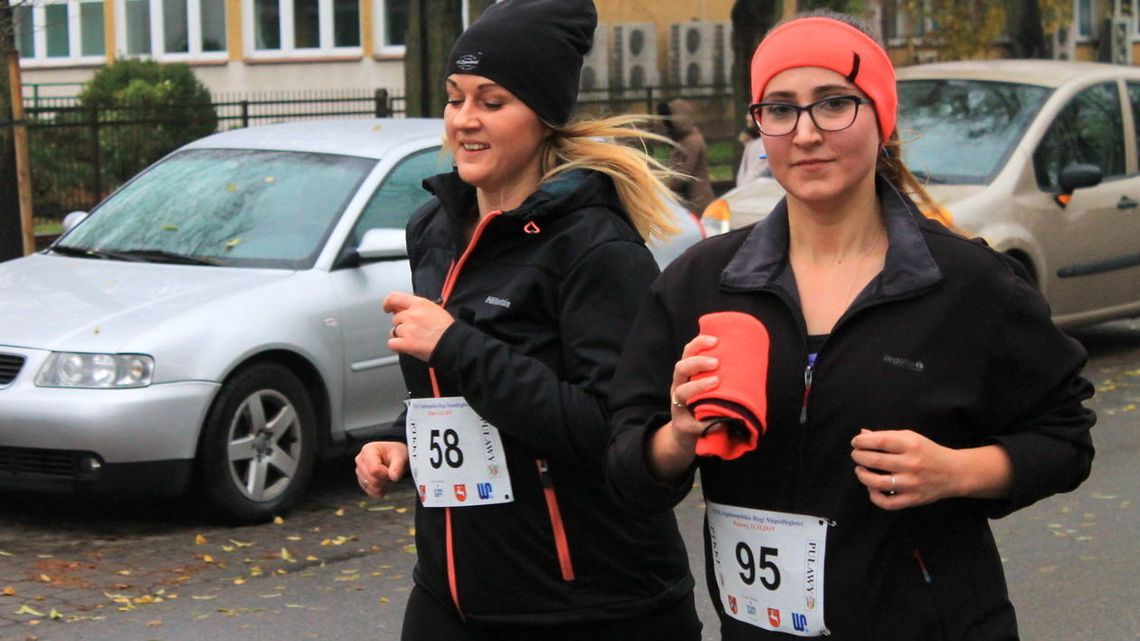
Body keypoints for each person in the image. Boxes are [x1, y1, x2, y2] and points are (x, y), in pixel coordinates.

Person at [606, 11, 1095, 641]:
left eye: (834, 104)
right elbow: (625, 470)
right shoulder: (699, 284)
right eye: (779, 109)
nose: (805, 132)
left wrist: (957, 472)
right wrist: (674, 439)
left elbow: (1066, 439)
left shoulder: (970, 283)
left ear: (881, 116)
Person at [354, 1, 700, 639]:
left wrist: (457, 345)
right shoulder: (434, 227)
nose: (464, 120)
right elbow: (455, 389)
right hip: (451, 594)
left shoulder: (598, 248)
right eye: (456, 98)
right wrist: (402, 437)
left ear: (542, 118)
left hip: (588, 606)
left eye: (492, 101)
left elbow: (612, 434)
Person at [659, 98, 716, 215]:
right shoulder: (685, 140)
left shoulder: (691, 142)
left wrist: (660, 191)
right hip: (693, 202)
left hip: (698, 203)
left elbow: (681, 175)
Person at [736, 114, 769, 187]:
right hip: (746, 187)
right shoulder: (751, 144)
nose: (747, 117)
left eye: (750, 114)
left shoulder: (765, 144)